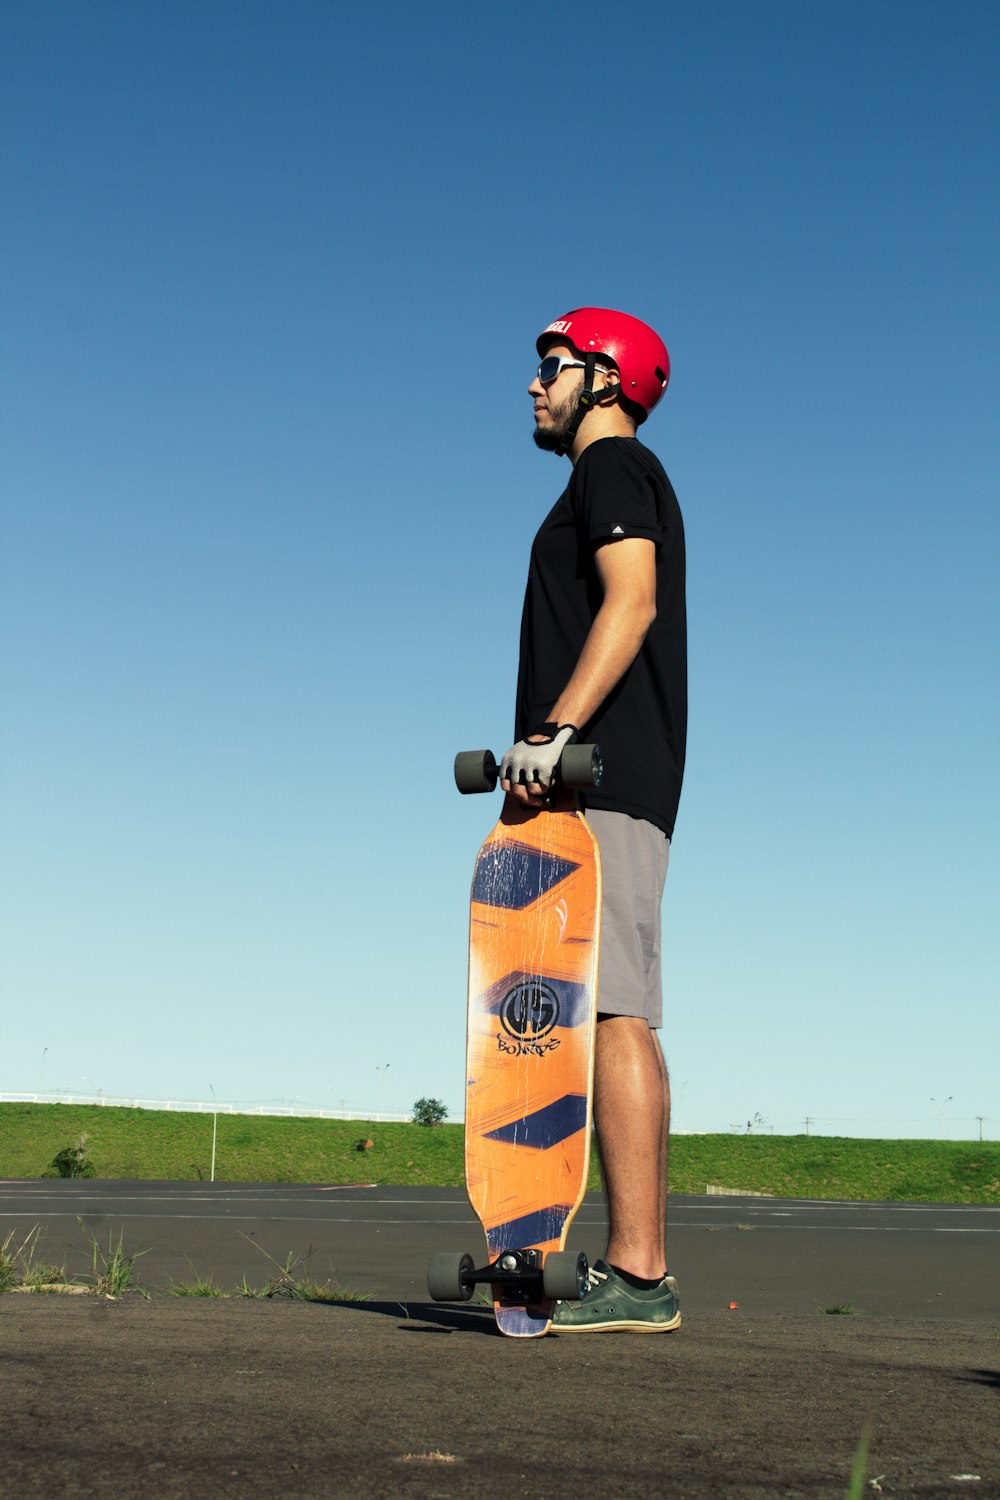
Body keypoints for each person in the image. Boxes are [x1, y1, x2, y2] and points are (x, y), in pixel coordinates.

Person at [499, 307, 687, 1333]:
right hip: (590, 779)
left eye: (552, 366)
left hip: (604, 777)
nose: (534, 384)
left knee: (615, 1006)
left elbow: (632, 601)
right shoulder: (599, 481)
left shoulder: (612, 471)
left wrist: (555, 731)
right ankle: (626, 1266)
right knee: (599, 1009)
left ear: (604, 381)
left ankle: (639, 1275)